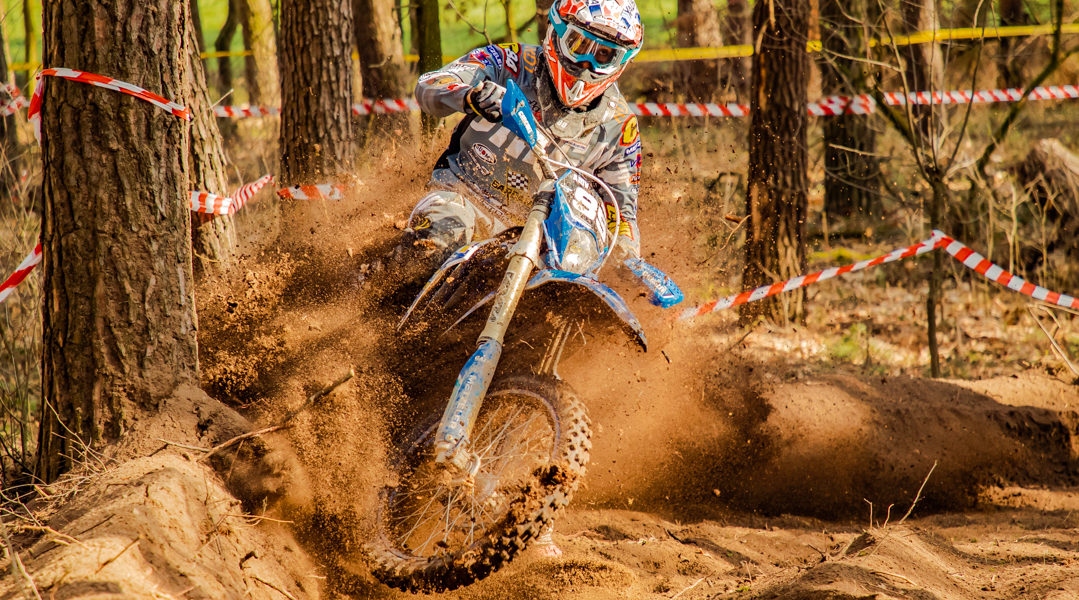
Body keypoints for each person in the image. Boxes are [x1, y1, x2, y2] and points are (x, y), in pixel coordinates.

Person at [407, 0, 645, 264]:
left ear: (621, 61)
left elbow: (622, 217)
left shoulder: (619, 125)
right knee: (436, 240)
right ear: (557, 33)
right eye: (579, 44)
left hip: (543, 239)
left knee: (574, 271)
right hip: (463, 198)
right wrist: (470, 95)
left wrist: (626, 258)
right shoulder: (510, 62)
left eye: (604, 54)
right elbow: (430, 84)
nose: (587, 63)